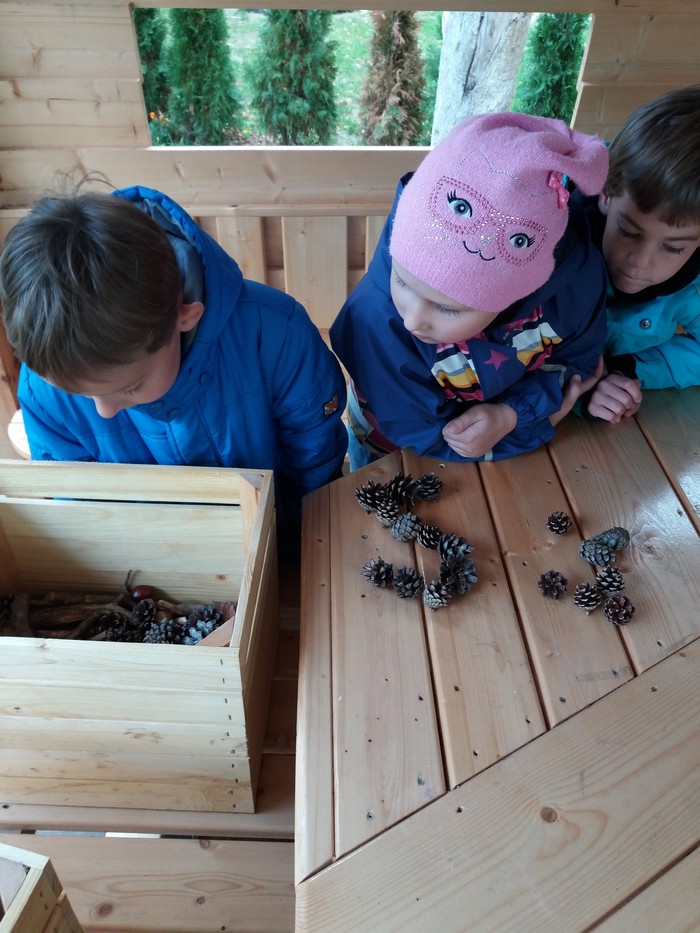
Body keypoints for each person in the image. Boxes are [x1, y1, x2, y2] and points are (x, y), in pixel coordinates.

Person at [0, 185, 348, 561]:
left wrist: (288, 550)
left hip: (283, 540)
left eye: (131, 387)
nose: (104, 410)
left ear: (185, 317)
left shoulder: (277, 333)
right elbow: (79, 501)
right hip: (150, 559)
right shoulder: (42, 391)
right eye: (80, 393)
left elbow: (313, 462)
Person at [330, 112, 609, 467]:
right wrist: (536, 422)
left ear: (519, 292)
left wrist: (512, 414)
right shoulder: (376, 321)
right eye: (401, 280)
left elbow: (578, 363)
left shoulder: (576, 284)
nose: (413, 320)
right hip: (386, 446)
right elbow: (426, 435)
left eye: (448, 309)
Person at [574, 86, 700, 423]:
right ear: (605, 192)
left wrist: (627, 369)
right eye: (629, 232)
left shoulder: (694, 287)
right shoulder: (548, 241)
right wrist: (577, 386)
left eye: (674, 247)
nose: (640, 262)